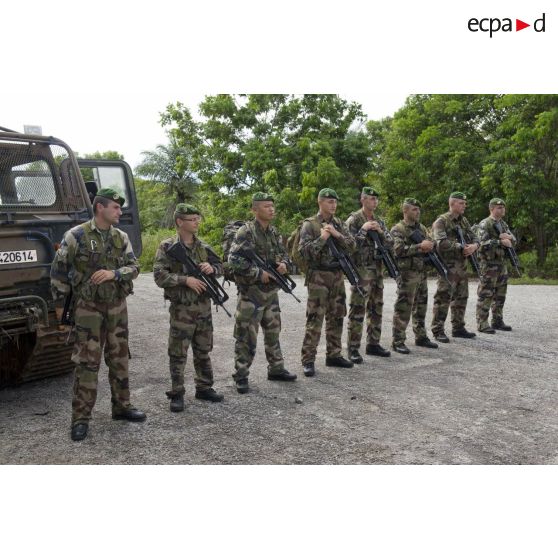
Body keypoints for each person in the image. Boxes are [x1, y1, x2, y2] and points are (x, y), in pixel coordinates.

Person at [50, 187, 146, 441]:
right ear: (100, 207)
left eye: (119, 207)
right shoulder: (76, 236)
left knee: (120, 358)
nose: (119, 211)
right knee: (87, 363)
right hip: (88, 308)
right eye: (115, 207)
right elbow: (58, 274)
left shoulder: (121, 237)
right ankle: (80, 418)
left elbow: (135, 267)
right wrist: (61, 313)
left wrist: (114, 274)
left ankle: (122, 407)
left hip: (116, 306)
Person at [153, 203, 225, 412]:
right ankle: (177, 393)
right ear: (179, 222)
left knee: (203, 349)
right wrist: (185, 280)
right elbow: (159, 276)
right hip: (182, 309)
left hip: (203, 307)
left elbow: (222, 267)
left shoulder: (203, 247)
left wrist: (212, 268)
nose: (197, 222)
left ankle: (204, 387)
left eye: (197, 218)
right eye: (192, 219)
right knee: (178, 352)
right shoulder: (167, 247)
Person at [228, 192, 297, 394]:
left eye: (272, 206)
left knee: (273, 333)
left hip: (271, 293)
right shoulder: (245, 232)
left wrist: (284, 264)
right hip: (251, 294)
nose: (271, 209)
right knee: (246, 336)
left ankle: (276, 368)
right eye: (267, 206)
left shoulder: (274, 233)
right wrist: (258, 273)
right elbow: (234, 260)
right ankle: (241, 375)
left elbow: (284, 254)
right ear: (255, 209)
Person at [298, 188, 356, 376]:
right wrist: (323, 238)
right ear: (320, 202)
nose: (334, 205)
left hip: (337, 276)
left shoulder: (339, 223)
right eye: (330, 202)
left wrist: (337, 234)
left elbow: (353, 246)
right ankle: (308, 359)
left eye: (335, 202)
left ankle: (334, 354)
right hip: (318, 276)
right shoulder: (310, 225)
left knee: (337, 316)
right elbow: (304, 252)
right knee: (315, 318)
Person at [345, 187, 394, 363]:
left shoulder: (379, 220)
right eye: (371, 199)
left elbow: (390, 243)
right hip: (361, 271)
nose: (374, 202)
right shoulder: (354, 220)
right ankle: (353, 348)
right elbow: (348, 246)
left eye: (376, 199)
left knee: (376, 308)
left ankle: (373, 343)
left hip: (377, 270)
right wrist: (364, 230)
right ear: (363, 200)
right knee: (358, 309)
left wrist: (380, 232)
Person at [390, 198, 439, 354]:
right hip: (407, 274)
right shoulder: (398, 229)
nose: (417, 212)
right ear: (405, 211)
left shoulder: (422, 228)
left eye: (418, 209)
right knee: (403, 308)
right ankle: (398, 341)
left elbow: (431, 241)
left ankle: (421, 336)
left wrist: (431, 244)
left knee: (421, 306)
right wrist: (419, 247)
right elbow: (397, 250)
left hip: (421, 273)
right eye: (414, 209)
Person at [431, 192, 480, 342]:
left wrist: (474, 246)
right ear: (452, 204)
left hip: (462, 267)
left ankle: (458, 327)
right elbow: (440, 243)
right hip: (448, 267)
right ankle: (437, 330)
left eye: (465, 203)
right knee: (443, 298)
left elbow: (475, 237)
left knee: (461, 297)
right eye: (461, 203)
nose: (464, 205)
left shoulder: (463, 221)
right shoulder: (442, 221)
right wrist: (460, 246)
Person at [475, 198, 516, 333]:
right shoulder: (485, 224)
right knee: (486, 294)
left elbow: (513, 239)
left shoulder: (503, 224)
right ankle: (482, 323)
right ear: (491, 209)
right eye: (499, 207)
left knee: (500, 294)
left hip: (501, 264)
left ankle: (497, 321)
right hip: (488, 264)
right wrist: (500, 241)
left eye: (503, 207)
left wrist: (509, 238)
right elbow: (481, 243)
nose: (502, 209)